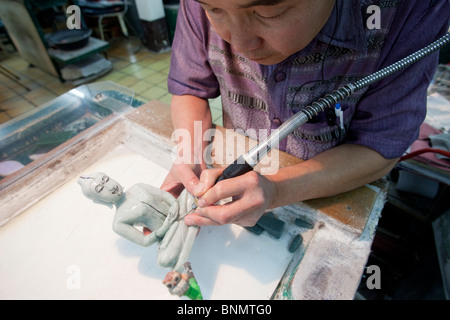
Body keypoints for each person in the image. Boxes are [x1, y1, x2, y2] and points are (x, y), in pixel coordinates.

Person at [161, 0, 449, 227]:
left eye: (268, 11)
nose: (240, 43)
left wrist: (276, 190)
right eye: (215, 10)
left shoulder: (411, 10)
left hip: (337, 196)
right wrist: (190, 153)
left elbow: (381, 146)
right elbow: (190, 88)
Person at [77, 172, 199, 274]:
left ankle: (189, 226)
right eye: (100, 189)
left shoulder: (137, 187)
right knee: (164, 260)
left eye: (106, 179)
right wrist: (166, 226)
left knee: (192, 189)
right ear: (99, 201)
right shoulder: (118, 222)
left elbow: (163, 195)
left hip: (179, 210)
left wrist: (173, 204)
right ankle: (191, 223)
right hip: (168, 234)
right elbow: (144, 241)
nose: (110, 187)